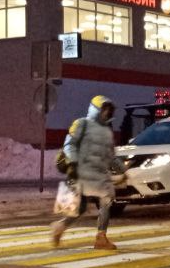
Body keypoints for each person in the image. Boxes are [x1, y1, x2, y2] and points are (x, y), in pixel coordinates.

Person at [51, 95, 125, 250]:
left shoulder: (105, 131)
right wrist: (73, 163)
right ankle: (101, 238)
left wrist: (122, 169)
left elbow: (110, 156)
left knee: (80, 208)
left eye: (108, 110)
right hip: (82, 172)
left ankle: (59, 228)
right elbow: (69, 145)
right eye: (104, 109)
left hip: (92, 174)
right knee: (106, 198)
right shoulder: (82, 124)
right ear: (97, 109)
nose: (107, 113)